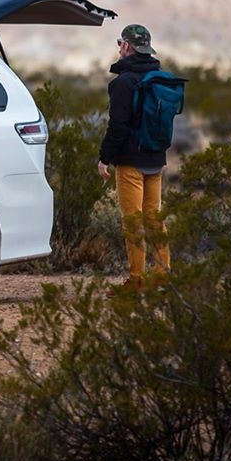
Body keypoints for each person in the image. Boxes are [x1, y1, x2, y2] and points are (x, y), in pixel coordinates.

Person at [97, 24, 172, 294]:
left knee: (132, 222)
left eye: (121, 43)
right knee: (154, 219)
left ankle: (136, 281)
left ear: (127, 46)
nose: (119, 48)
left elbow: (117, 125)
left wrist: (104, 158)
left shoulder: (124, 82)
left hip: (131, 162)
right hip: (156, 159)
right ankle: (162, 277)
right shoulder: (159, 77)